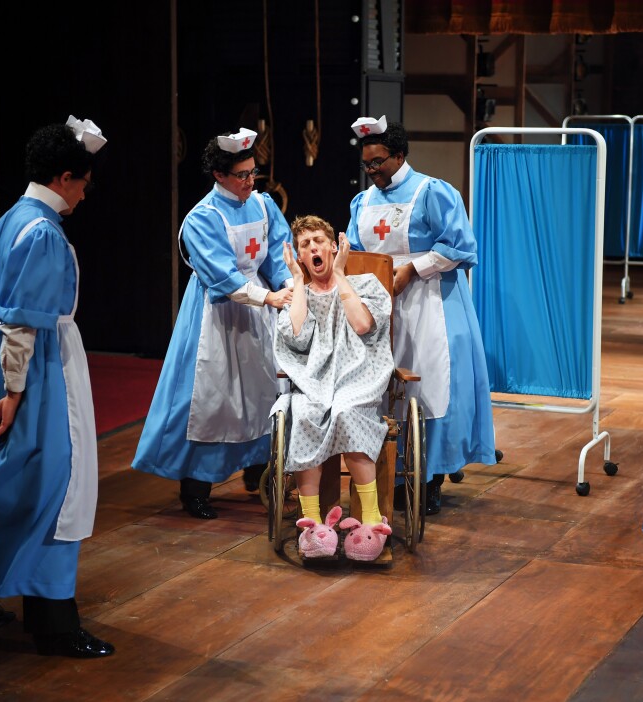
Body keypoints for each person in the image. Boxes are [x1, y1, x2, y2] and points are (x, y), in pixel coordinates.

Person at [0, 116, 114, 656]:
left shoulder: (9, 219)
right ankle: (53, 622)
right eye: (84, 182)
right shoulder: (42, 230)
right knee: (52, 486)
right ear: (64, 177)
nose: (86, 193)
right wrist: (16, 391)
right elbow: (22, 321)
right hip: (35, 369)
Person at [132, 129, 292, 519]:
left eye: (254, 172)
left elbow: (275, 253)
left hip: (260, 309)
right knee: (213, 398)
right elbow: (222, 275)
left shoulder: (263, 204)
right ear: (219, 175)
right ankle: (197, 486)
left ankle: (259, 472)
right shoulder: (202, 218)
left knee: (263, 392)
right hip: (218, 314)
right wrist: (265, 297)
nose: (250, 181)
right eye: (242, 175)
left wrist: (288, 284)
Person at [345, 116, 496, 514]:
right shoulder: (362, 202)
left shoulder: (433, 192)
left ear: (398, 155)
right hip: (381, 305)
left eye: (378, 162)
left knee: (428, 387)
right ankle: (391, 474)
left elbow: (461, 247)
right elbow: (355, 253)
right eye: (366, 164)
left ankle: (430, 478)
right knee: (384, 387)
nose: (371, 171)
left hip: (430, 303)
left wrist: (413, 269)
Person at [275, 215, 394, 561]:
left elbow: (361, 324)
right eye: (304, 244)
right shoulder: (297, 293)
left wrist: (340, 275)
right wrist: (298, 282)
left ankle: (371, 520)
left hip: (359, 375)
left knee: (345, 410)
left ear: (332, 246)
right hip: (315, 380)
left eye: (317, 240)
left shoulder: (366, 284)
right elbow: (297, 338)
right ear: (299, 255)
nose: (312, 247)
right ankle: (311, 524)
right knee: (307, 413)